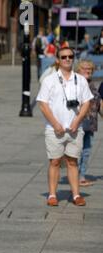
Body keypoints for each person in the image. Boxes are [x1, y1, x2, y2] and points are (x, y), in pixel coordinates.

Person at [37, 47, 93, 207]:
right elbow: (42, 104)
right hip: (54, 130)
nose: (67, 59)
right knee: (54, 161)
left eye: (70, 56)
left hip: (75, 129)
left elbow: (86, 102)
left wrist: (77, 121)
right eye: (63, 57)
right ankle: (52, 195)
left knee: (73, 161)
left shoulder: (80, 80)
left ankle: (76, 195)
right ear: (58, 60)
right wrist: (55, 124)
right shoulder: (50, 80)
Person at [76, 60, 103, 187]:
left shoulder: (91, 84)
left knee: (86, 151)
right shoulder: (75, 84)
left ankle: (81, 176)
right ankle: (74, 176)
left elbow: (98, 104)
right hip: (77, 123)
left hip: (90, 124)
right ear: (78, 70)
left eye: (90, 69)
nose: (88, 71)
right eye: (85, 68)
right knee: (77, 151)